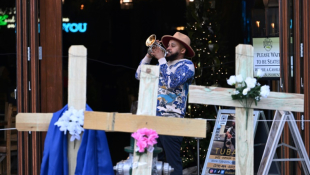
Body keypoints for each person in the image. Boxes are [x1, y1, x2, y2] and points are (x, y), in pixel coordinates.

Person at [135, 32, 195, 175]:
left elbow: (171, 82)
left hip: (172, 120)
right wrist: (149, 56)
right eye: (168, 45)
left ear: (182, 50)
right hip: (153, 118)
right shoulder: (163, 65)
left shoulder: (187, 65)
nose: (167, 48)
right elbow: (138, 75)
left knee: (172, 163)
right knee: (155, 162)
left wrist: (161, 58)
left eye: (172, 46)